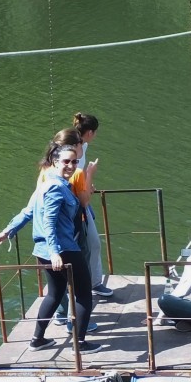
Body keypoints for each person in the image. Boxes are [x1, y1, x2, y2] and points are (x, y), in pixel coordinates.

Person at [0, 144, 100, 353]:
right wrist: (55, 252)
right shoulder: (57, 188)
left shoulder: (45, 184)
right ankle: (80, 344)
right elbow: (49, 222)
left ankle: (37, 339)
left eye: (74, 161)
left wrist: (7, 232)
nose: (70, 165)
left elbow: (27, 212)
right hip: (62, 250)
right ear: (55, 162)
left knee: (55, 293)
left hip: (43, 251)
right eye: (66, 161)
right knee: (84, 294)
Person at [71, 111, 111, 299]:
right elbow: (75, 181)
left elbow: (78, 179)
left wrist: (87, 180)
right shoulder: (74, 149)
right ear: (90, 133)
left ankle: (94, 283)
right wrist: (90, 174)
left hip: (82, 199)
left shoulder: (82, 146)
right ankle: (79, 294)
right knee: (86, 245)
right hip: (76, 205)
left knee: (93, 243)